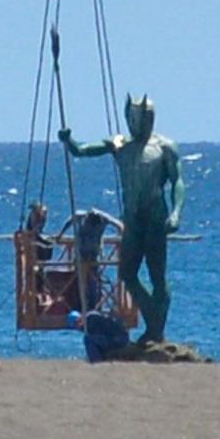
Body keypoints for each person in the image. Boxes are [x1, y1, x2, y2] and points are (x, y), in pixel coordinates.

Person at [59, 94, 185, 343]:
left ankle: (156, 330)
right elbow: (82, 151)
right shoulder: (120, 144)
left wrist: (176, 211)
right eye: (132, 118)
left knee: (158, 276)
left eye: (140, 118)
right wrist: (69, 140)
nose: (136, 123)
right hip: (133, 220)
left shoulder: (165, 146)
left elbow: (177, 181)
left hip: (155, 219)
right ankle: (154, 323)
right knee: (127, 274)